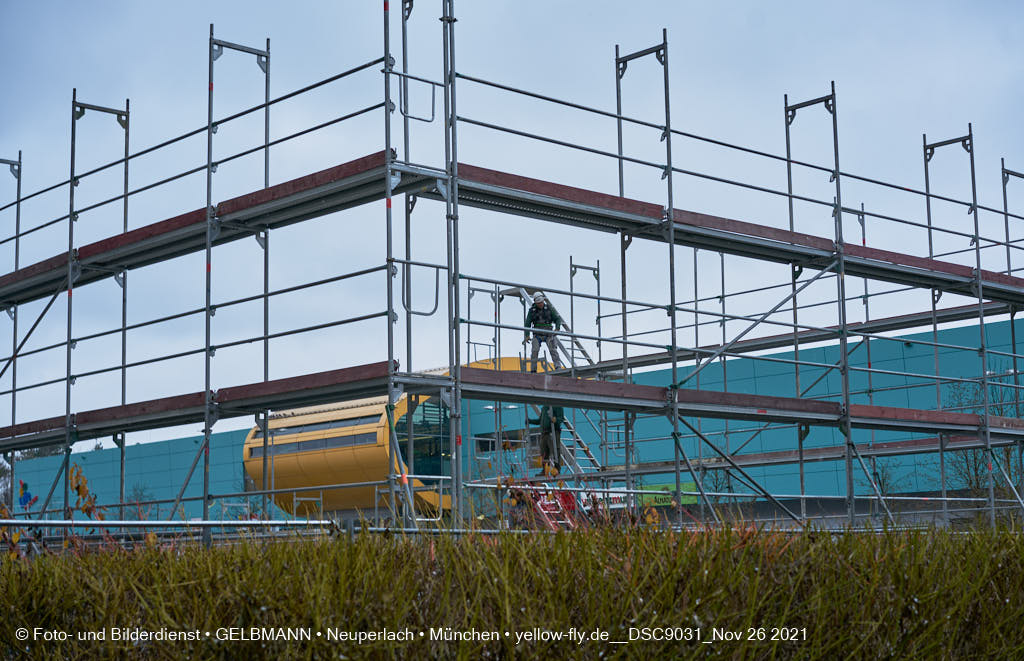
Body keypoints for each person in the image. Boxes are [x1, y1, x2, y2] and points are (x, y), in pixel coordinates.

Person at [524, 293, 563, 372]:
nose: (540, 304)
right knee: (535, 350)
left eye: (541, 302)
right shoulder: (532, 311)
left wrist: (557, 328)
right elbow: (527, 323)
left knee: (553, 350)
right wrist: (527, 335)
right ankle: (533, 369)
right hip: (537, 334)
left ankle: (558, 366)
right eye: (538, 303)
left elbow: (557, 319)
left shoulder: (549, 308)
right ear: (535, 303)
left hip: (548, 333)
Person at [528, 405, 564, 476]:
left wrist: (555, 420)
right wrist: (530, 421)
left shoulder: (557, 406)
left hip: (553, 432)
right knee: (544, 452)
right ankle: (545, 470)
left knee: (555, 450)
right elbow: (540, 420)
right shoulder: (544, 408)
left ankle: (557, 469)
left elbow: (561, 419)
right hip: (544, 433)